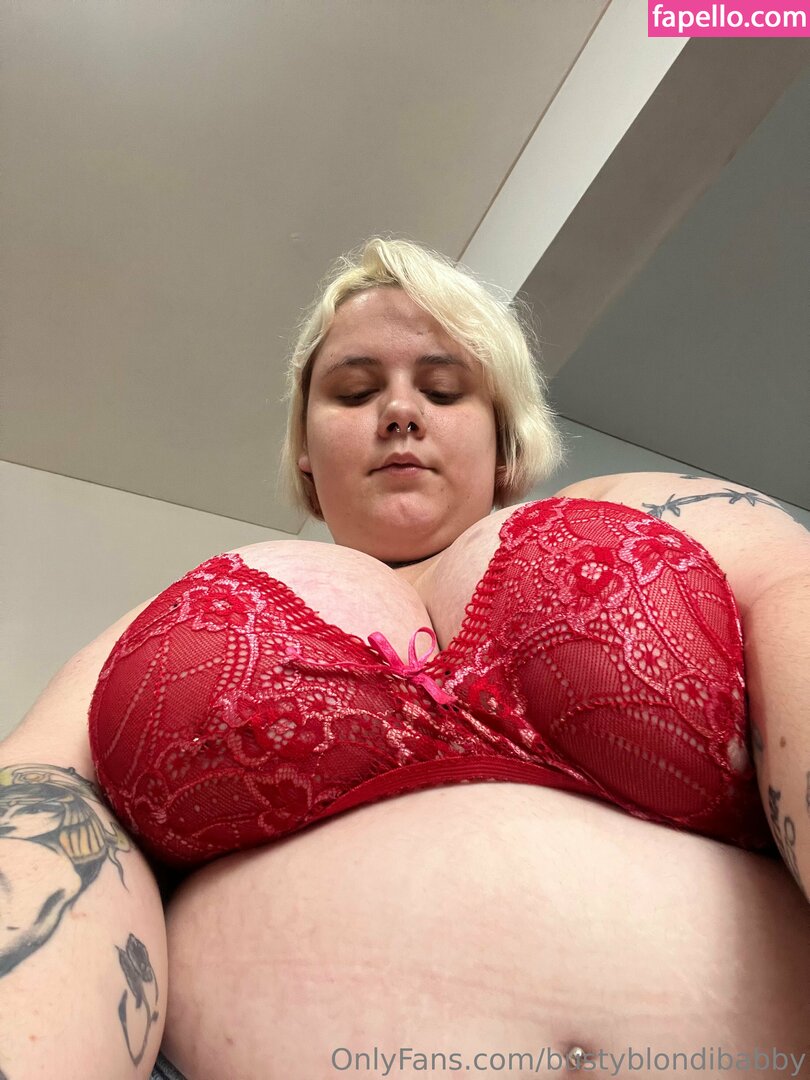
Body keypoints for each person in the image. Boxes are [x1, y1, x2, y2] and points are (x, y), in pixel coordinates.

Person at [2, 237, 808, 1080]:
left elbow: (797, 605)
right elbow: (39, 796)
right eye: (355, 391)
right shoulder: (191, 611)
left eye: (444, 389)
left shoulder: (653, 514)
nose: (398, 412)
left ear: (505, 441)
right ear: (305, 450)